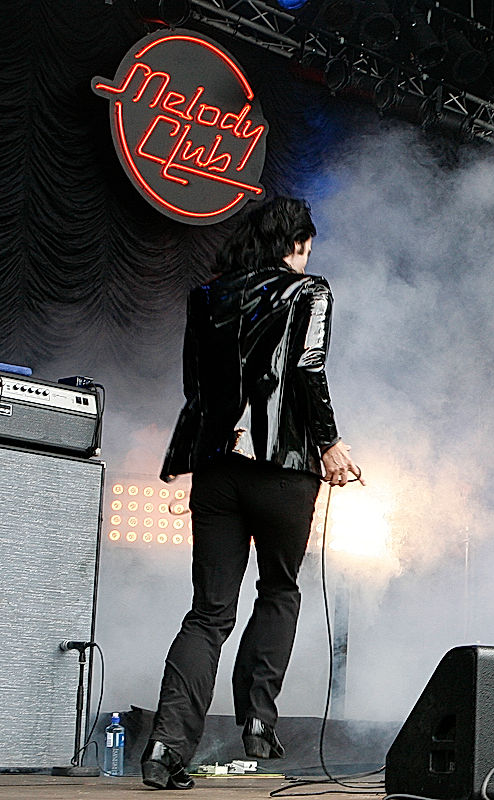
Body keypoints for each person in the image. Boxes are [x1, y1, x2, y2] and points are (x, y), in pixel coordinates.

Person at [141, 197, 363, 790]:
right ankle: (259, 722)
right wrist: (332, 445)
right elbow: (308, 369)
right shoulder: (309, 291)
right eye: (306, 247)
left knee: (209, 612)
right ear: (292, 244)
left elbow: (196, 390)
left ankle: (166, 745)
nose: (307, 257)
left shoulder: (208, 296)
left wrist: (183, 467)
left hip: (218, 469)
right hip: (286, 471)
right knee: (281, 589)